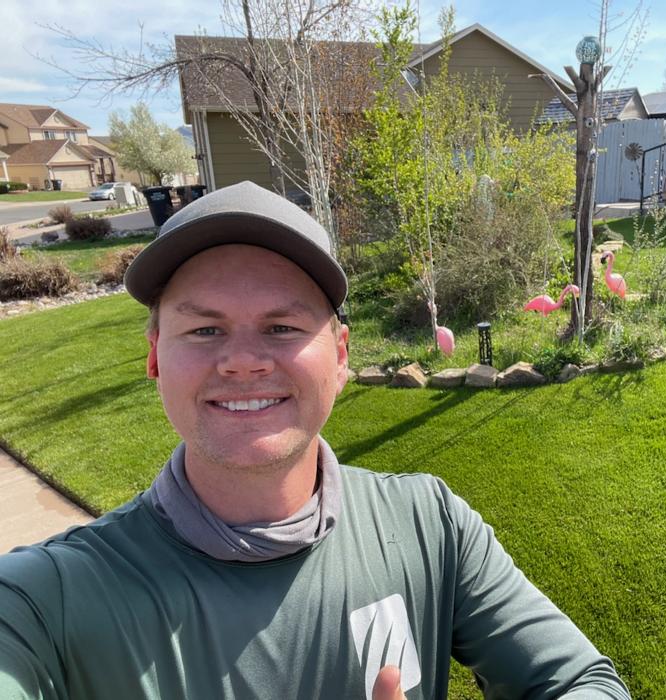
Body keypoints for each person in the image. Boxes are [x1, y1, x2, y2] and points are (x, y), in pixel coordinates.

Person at [0, 181, 630, 700]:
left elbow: (582, 682)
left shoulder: (431, 526)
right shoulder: (43, 601)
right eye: (204, 330)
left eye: (281, 327)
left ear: (341, 356)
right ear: (155, 357)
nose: (243, 361)